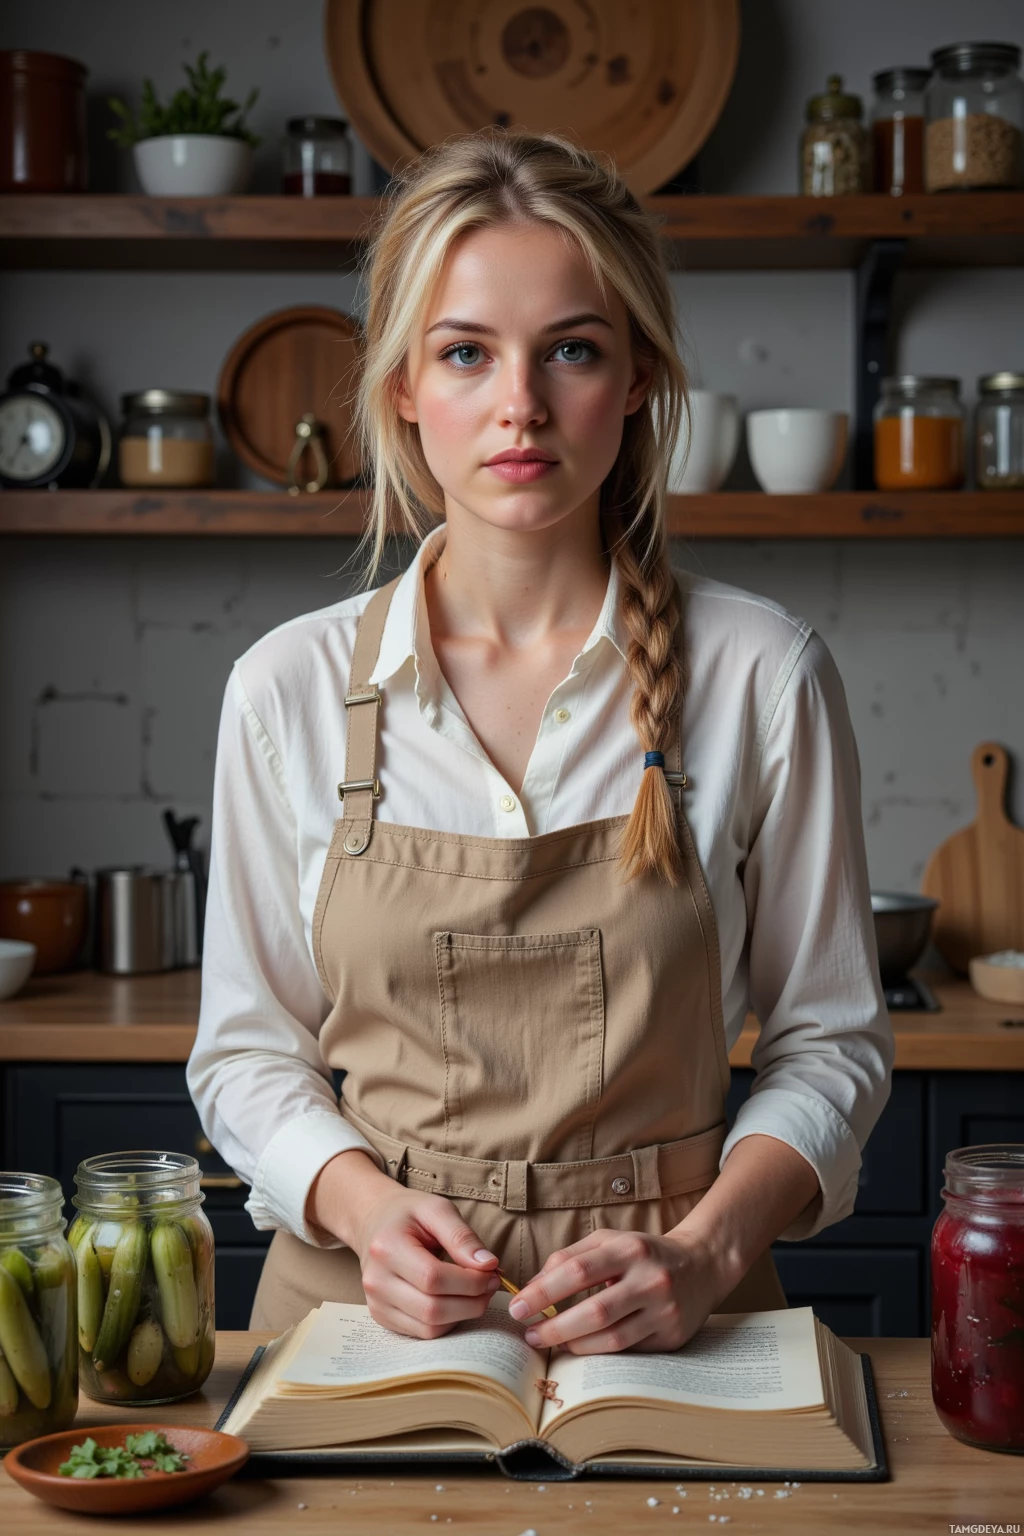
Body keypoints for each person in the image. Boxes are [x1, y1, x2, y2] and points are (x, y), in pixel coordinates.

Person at [187, 127, 893, 1356]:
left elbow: (830, 1044)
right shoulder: (285, 690)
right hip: (364, 1319)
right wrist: (362, 1209)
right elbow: (247, 1056)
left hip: (678, 1328)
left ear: (633, 379)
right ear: (405, 387)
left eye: (571, 348)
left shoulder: (761, 672)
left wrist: (709, 1249)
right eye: (466, 352)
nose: (518, 405)